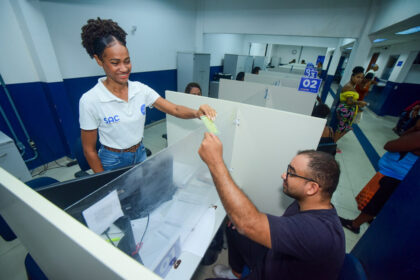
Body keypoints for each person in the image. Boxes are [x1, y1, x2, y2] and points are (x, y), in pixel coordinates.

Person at [79, 18, 216, 173]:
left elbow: (175, 109)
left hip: (140, 153)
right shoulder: (90, 100)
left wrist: (197, 113)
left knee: (142, 194)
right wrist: (102, 182)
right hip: (113, 160)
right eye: (115, 63)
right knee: (119, 197)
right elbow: (89, 150)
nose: (124, 68)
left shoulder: (140, 90)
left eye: (127, 61)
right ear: (99, 60)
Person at [198, 136, 345, 280]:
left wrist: (215, 163)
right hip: (275, 258)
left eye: (291, 173)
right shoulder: (307, 204)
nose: (283, 175)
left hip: (271, 273)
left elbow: (248, 224)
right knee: (234, 226)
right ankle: (236, 273)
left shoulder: (317, 233)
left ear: (312, 188)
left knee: (243, 224)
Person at [339, 122, 420, 234]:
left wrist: (411, 133)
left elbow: (389, 145)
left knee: (375, 201)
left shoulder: (418, 136)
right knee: (375, 199)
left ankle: (355, 224)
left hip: (394, 175)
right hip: (395, 173)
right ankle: (368, 217)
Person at [334, 66, 367, 142]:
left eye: (361, 78)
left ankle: (334, 142)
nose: (359, 79)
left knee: (345, 128)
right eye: (358, 77)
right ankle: (333, 144)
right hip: (346, 110)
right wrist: (359, 102)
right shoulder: (349, 87)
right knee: (341, 128)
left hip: (348, 110)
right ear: (352, 76)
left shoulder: (352, 86)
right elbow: (349, 101)